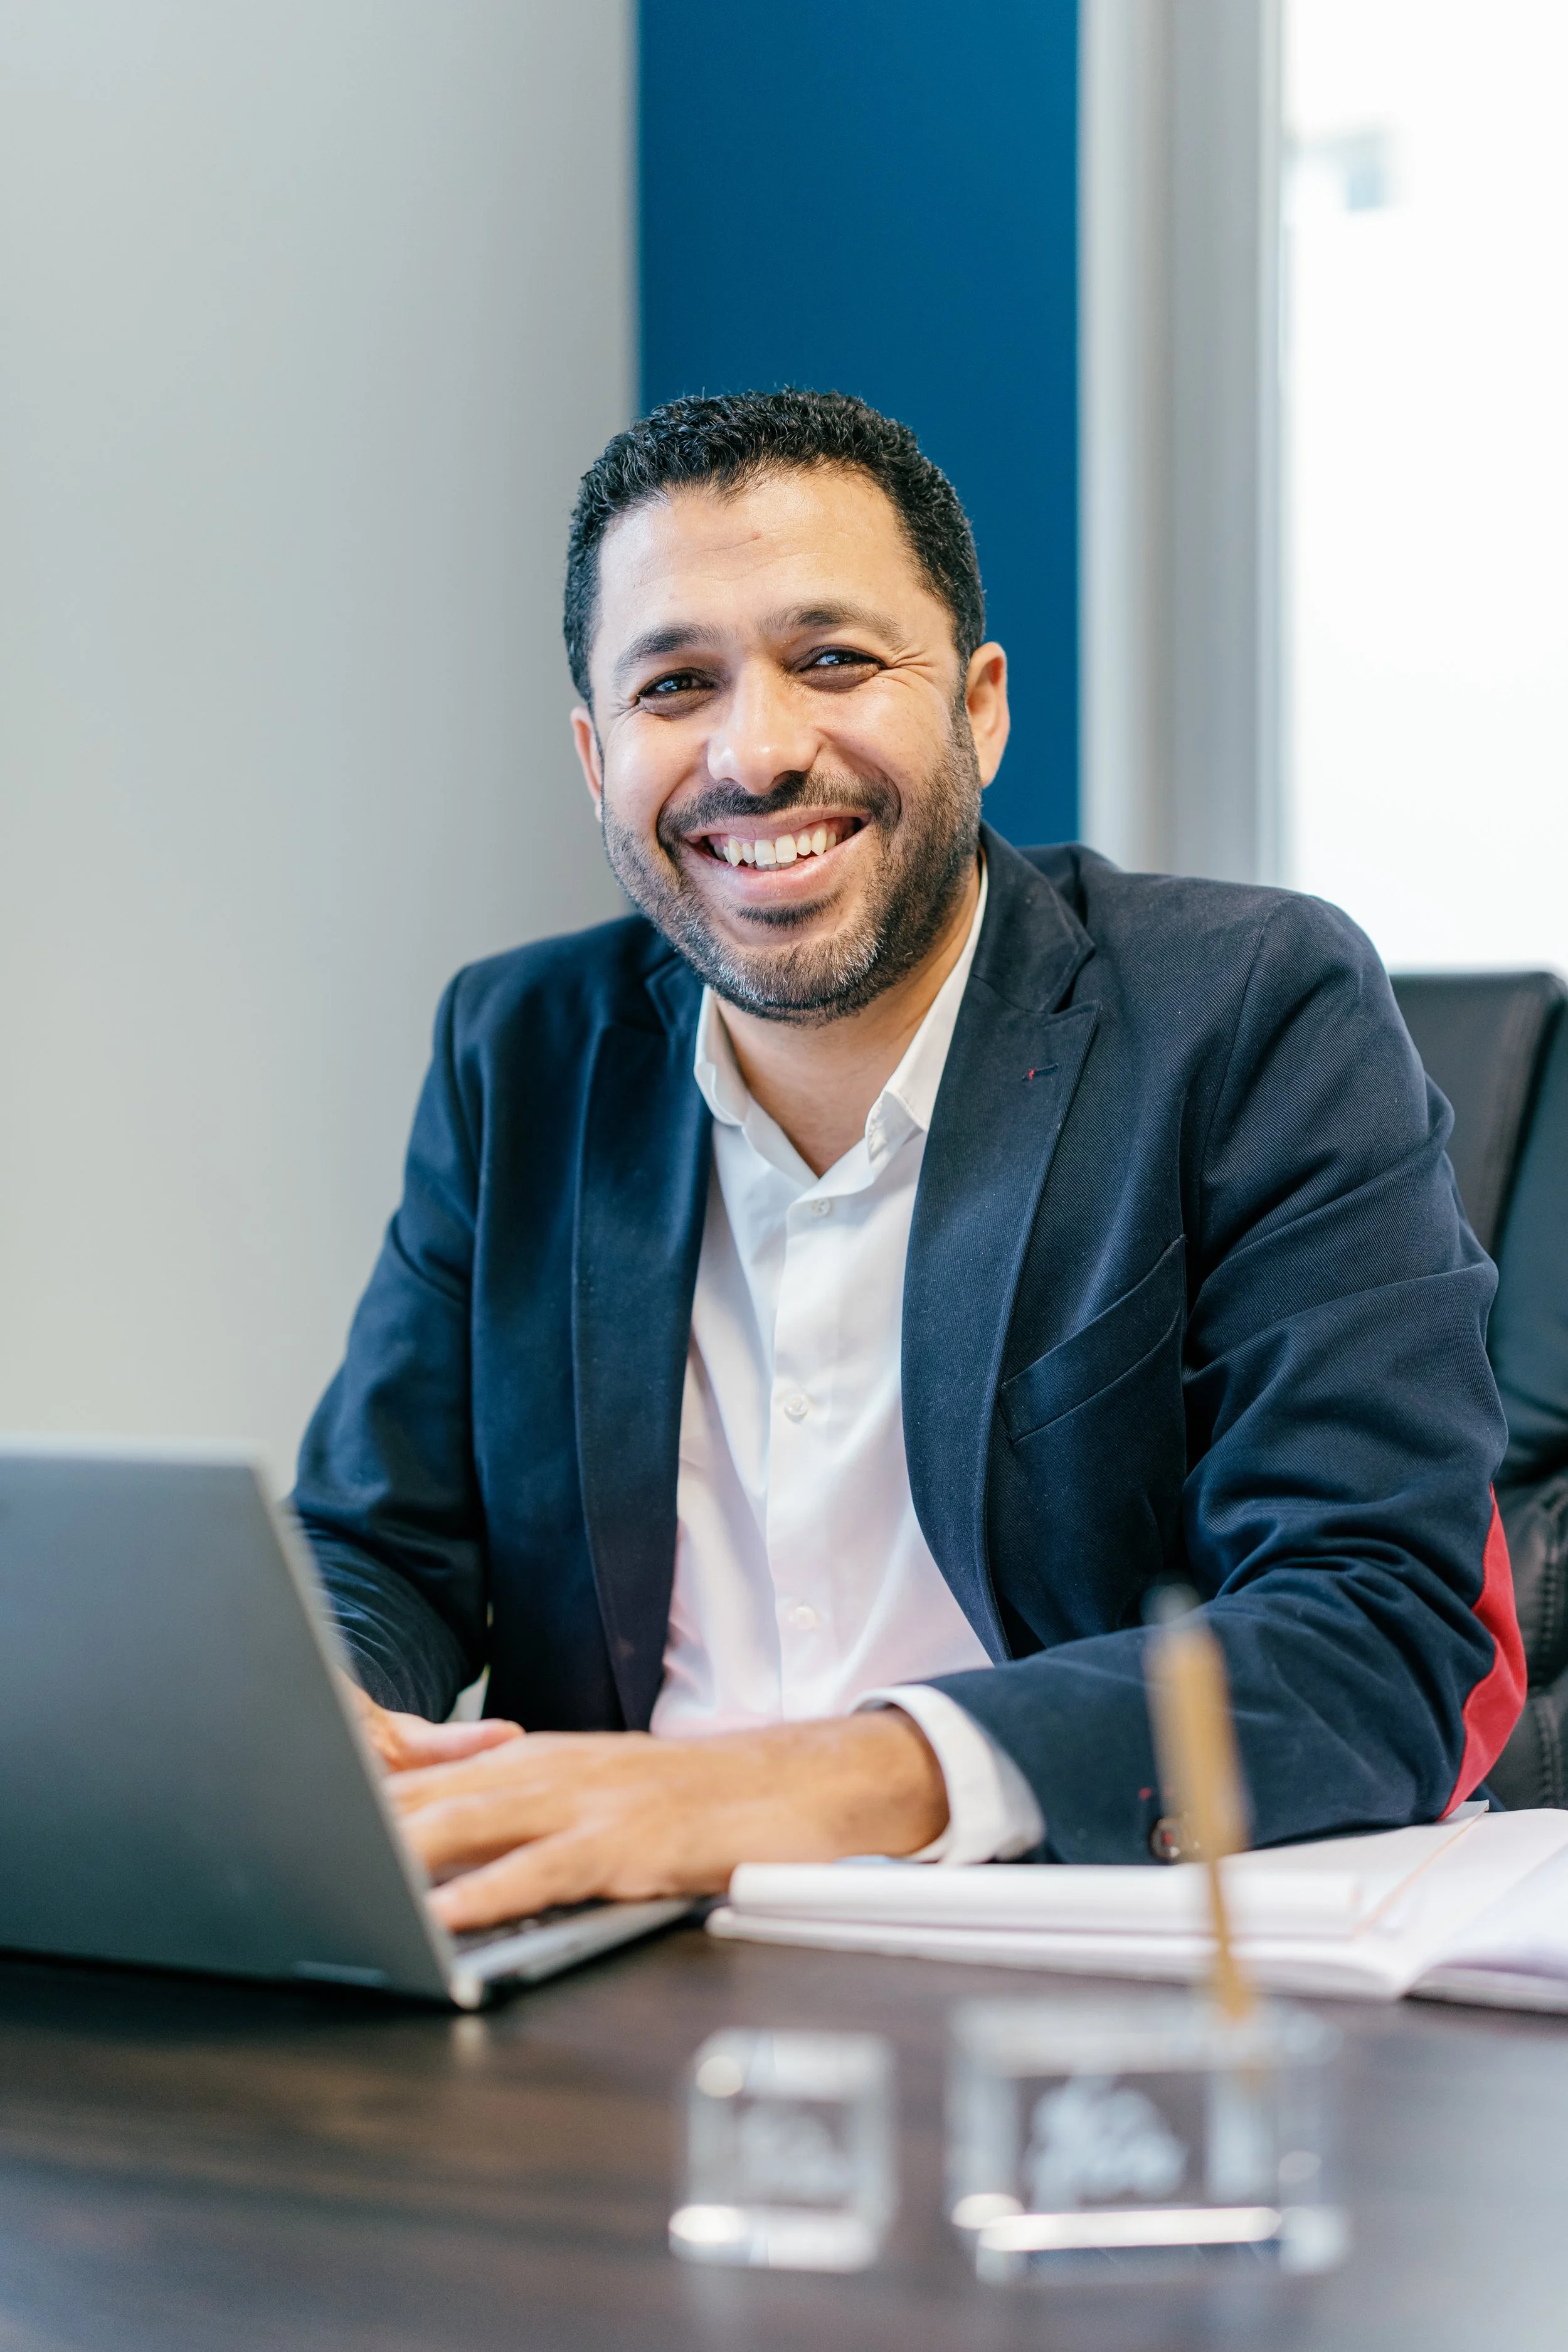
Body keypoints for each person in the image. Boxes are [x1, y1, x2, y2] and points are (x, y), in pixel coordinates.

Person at [294, 389, 1523, 1932]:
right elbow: (375, 1545)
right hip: (617, 1973)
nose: (754, 752)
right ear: (596, 752)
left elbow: (1373, 1635)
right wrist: (323, 1712)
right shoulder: (521, 1050)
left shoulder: (1247, 1010)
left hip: (1077, 1963)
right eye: (677, 685)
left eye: (833, 661)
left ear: (980, 706)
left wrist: (773, 1790)